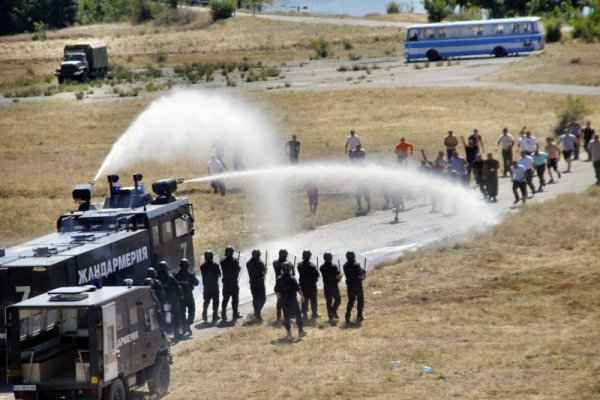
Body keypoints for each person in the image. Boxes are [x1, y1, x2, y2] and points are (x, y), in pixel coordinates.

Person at [274, 262, 306, 341]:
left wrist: (279, 297)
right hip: (292, 300)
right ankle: (301, 330)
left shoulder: (279, 278)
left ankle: (289, 333)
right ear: (290, 269)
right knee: (298, 314)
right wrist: (302, 296)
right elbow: (298, 289)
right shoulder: (292, 278)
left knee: (286, 316)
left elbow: (276, 290)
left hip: (284, 300)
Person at [156, 261, 183, 338]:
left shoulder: (157, 278)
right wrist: (180, 296)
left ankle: (165, 334)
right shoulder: (170, 276)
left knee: (167, 315)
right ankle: (177, 332)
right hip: (172, 300)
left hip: (163, 301)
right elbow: (178, 287)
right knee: (176, 314)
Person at [174, 258, 199, 336]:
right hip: (188, 296)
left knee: (182, 313)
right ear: (188, 265)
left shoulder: (176, 275)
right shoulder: (190, 274)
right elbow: (197, 283)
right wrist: (193, 276)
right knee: (192, 310)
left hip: (180, 297)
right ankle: (188, 324)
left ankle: (185, 326)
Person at [343, 251, 365, 325]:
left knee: (351, 301)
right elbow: (360, 276)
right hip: (357, 285)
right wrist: (363, 276)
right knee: (360, 300)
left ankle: (347, 316)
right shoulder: (356, 264)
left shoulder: (345, 265)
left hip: (350, 286)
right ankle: (359, 316)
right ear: (354, 256)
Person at [220, 246, 242, 321]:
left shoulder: (222, 261)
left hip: (226, 283)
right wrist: (239, 268)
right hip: (233, 283)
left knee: (225, 299)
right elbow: (237, 270)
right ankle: (235, 314)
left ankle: (223, 314)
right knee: (235, 298)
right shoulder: (235, 261)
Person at [319, 252, 342, 322]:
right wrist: (341, 276)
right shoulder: (334, 266)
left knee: (329, 301)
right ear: (331, 258)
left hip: (326, 286)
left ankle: (331, 317)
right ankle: (333, 311)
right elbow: (338, 277)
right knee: (338, 300)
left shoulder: (321, 267)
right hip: (333, 286)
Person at [273, 249, 294, 323]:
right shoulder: (289, 264)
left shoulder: (275, 262)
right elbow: (293, 274)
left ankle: (278, 318)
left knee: (279, 301)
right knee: (290, 300)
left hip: (278, 284)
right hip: (288, 285)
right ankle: (291, 316)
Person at [200, 251, 221, 323]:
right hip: (214, 286)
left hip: (206, 286)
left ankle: (204, 313)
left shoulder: (202, 266)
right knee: (216, 301)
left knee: (206, 301)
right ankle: (215, 316)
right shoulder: (215, 265)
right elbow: (219, 275)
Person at [246, 249, 267, 322]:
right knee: (263, 298)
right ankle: (257, 313)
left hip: (252, 282)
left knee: (255, 298)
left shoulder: (248, 262)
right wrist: (265, 269)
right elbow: (263, 273)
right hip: (260, 282)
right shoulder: (260, 262)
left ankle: (256, 313)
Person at [351, 143, 371, 212]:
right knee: (358, 196)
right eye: (357, 148)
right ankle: (360, 207)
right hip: (360, 185)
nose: (358, 149)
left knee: (366, 196)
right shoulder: (354, 152)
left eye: (359, 147)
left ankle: (369, 205)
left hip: (364, 186)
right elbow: (352, 159)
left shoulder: (363, 151)